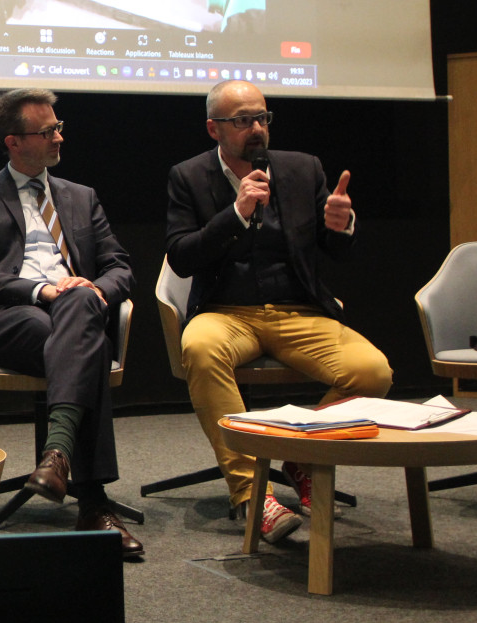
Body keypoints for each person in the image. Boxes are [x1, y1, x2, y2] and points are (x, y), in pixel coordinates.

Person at [165, 80, 392, 542]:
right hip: (226, 310)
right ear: (214, 129)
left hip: (297, 311)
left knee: (373, 373)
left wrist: (342, 224)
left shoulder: (303, 169)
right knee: (201, 349)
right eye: (242, 120)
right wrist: (235, 212)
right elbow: (181, 256)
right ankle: (252, 492)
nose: (256, 129)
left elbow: (336, 252)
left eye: (262, 118)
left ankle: (301, 457)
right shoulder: (188, 176)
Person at [0, 88, 142, 556]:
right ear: (14, 142)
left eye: (59, 126)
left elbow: (119, 266)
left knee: (80, 311)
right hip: (6, 316)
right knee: (84, 337)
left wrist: (94, 289)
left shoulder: (80, 196)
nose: (59, 136)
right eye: (48, 130)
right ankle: (94, 504)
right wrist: (44, 290)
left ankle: (56, 461)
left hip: (71, 312)